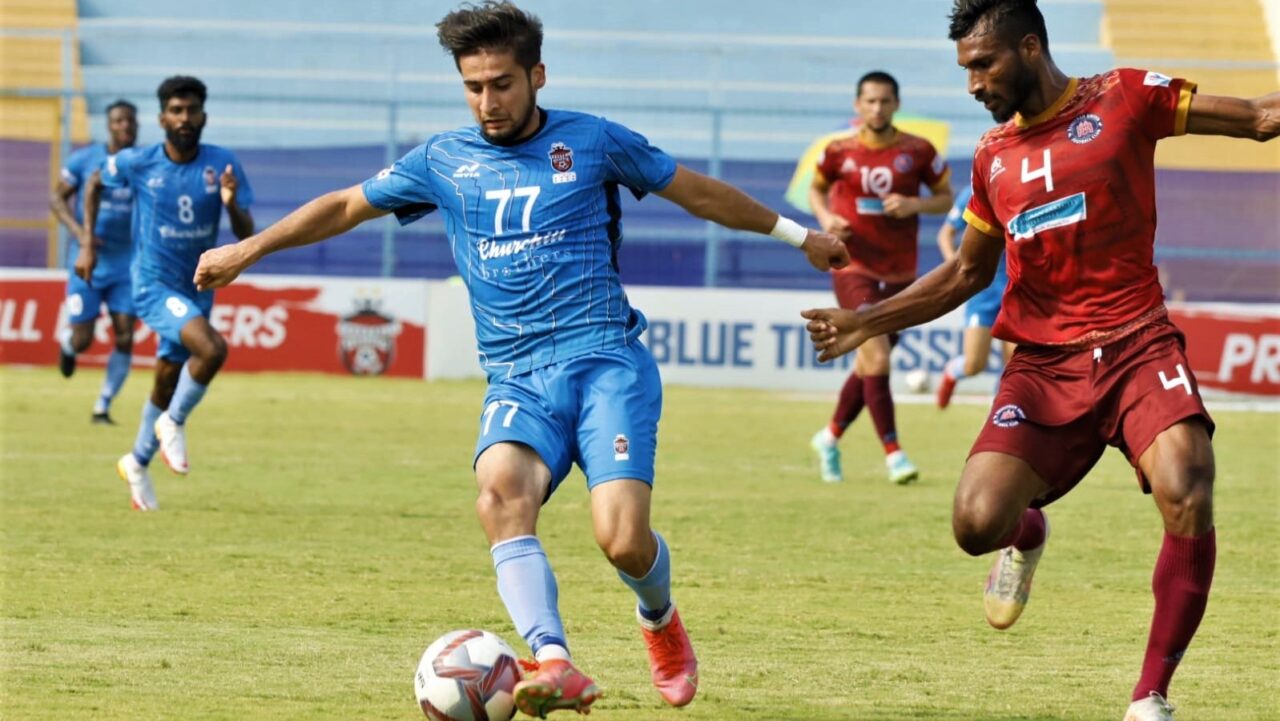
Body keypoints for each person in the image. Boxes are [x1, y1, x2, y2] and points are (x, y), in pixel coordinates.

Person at [192, 2, 847, 716]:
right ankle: (554, 661)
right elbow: (347, 205)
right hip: (517, 377)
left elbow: (696, 191)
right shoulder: (443, 160)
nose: (487, 101)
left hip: (605, 362)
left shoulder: (592, 141)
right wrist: (247, 249)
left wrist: (800, 237)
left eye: (501, 83)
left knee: (622, 541)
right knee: (499, 495)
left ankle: (659, 620)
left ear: (537, 75)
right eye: (473, 86)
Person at [801, 1, 1277, 719]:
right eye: (965, 70)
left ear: (1029, 47)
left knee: (1188, 485)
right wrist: (862, 321)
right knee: (975, 523)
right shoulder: (993, 156)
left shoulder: (1124, 97)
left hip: (1137, 342)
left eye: (983, 65)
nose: (972, 84)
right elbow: (966, 274)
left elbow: (1259, 117)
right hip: (1044, 364)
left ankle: (1150, 697)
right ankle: (1028, 531)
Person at [85, 75, 255, 511]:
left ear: (204, 116)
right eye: (176, 111)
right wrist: (87, 244)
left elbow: (245, 233)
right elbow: (94, 183)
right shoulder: (138, 162)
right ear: (162, 118)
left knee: (166, 379)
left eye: (192, 110)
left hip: (197, 286)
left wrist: (231, 202)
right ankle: (173, 423)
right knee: (212, 349)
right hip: (153, 285)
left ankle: (136, 463)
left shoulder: (222, 163)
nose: (184, 118)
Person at [807, 70, 953, 485]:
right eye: (870, 101)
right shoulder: (837, 151)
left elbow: (945, 198)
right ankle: (894, 455)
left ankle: (829, 437)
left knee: (868, 362)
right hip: (852, 266)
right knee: (878, 356)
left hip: (901, 272)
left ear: (896, 104)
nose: (877, 108)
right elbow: (817, 190)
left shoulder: (919, 151)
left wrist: (913, 205)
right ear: (858, 105)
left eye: (885, 101)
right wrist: (827, 219)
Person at [50, 100, 139, 423]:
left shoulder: (143, 162)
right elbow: (57, 197)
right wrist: (81, 235)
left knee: (125, 334)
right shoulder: (85, 159)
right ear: (109, 125)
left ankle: (102, 406)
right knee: (84, 339)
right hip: (87, 260)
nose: (125, 126)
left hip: (127, 264)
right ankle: (69, 346)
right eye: (119, 121)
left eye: (130, 121)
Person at [933, 183, 1014, 408]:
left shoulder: (1020, 186)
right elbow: (945, 234)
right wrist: (957, 268)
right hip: (982, 292)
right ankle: (952, 372)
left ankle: (999, 413)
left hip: (1015, 288)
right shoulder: (972, 193)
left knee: (1013, 363)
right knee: (974, 364)